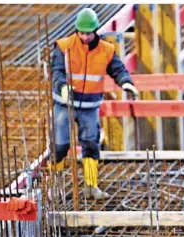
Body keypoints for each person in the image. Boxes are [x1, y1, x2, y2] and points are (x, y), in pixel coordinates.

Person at [50, 8, 139, 199]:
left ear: (95, 31)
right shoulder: (64, 46)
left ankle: (91, 186)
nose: (85, 37)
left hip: (89, 107)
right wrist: (63, 87)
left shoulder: (106, 50)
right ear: (76, 30)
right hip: (65, 105)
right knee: (60, 146)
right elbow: (56, 71)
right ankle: (55, 187)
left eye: (88, 33)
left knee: (90, 144)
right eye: (81, 33)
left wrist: (127, 83)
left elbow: (118, 69)